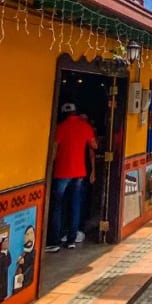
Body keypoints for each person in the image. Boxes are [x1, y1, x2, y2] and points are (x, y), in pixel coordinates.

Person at [46, 102, 97, 252]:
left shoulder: (60, 127)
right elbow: (94, 145)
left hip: (62, 171)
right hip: (79, 172)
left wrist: (50, 166)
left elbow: (54, 150)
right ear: (75, 112)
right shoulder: (84, 127)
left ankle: (55, 241)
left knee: (57, 206)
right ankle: (71, 240)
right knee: (75, 205)